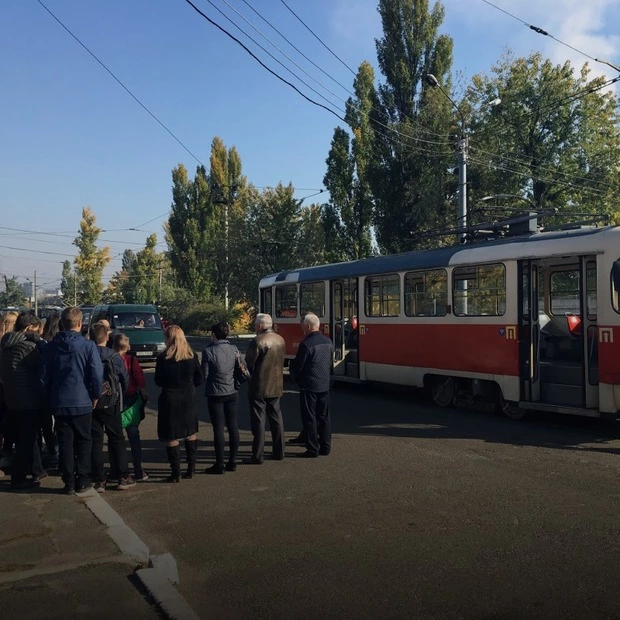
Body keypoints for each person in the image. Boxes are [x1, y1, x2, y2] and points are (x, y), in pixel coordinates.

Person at [42, 307, 102, 494]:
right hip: (82, 400)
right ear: (80, 323)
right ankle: (82, 479)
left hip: (59, 401)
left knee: (65, 441)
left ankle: (68, 481)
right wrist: (95, 394)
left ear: (63, 323)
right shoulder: (88, 346)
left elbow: (43, 377)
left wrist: (48, 397)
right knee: (84, 440)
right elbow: (96, 374)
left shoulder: (50, 347)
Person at [0, 312, 48, 490]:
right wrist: (40, 343)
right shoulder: (28, 347)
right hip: (28, 400)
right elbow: (42, 365)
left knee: (25, 438)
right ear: (29, 328)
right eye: (36, 330)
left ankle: (36, 470)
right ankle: (19, 478)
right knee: (25, 442)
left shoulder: (6, 345)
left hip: (13, 398)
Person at [89, 323, 134, 492]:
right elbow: (125, 378)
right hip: (111, 402)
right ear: (106, 337)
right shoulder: (114, 356)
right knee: (116, 438)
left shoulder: (87, 353)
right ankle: (122, 475)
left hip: (92, 402)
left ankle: (99, 479)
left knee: (96, 440)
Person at [155, 325, 203, 483]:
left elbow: (158, 381)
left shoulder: (163, 358)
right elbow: (199, 379)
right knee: (190, 432)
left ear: (169, 338)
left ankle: (176, 472)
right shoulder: (192, 356)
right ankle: (192, 468)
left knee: (171, 435)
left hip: (170, 398)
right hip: (188, 397)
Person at [289, 313, 334, 458]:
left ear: (308, 326)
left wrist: (296, 378)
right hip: (324, 385)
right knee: (324, 417)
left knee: (310, 418)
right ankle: (326, 447)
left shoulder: (306, 344)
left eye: (303, 325)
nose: (302, 327)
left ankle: (313, 448)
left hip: (309, 385)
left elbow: (298, 366)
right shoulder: (328, 342)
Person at [244, 313, 286, 464]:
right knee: (276, 418)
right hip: (276, 384)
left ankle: (257, 455)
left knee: (259, 421)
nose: (255, 327)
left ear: (260, 326)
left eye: (256, 325)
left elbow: (248, 363)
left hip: (259, 386)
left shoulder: (257, 341)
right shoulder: (280, 339)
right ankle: (279, 451)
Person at [201, 321, 240, 474]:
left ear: (214, 335)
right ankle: (233, 461)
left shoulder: (208, 351)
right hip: (232, 391)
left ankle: (219, 464)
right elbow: (239, 368)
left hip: (215, 393)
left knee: (218, 429)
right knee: (233, 426)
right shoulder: (234, 348)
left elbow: (204, 374)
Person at [113, 333, 149, 482]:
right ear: (128, 346)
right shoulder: (131, 360)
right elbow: (140, 379)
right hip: (132, 401)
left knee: (116, 438)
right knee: (134, 436)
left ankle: (118, 470)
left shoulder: (111, 360)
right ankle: (138, 469)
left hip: (116, 401)